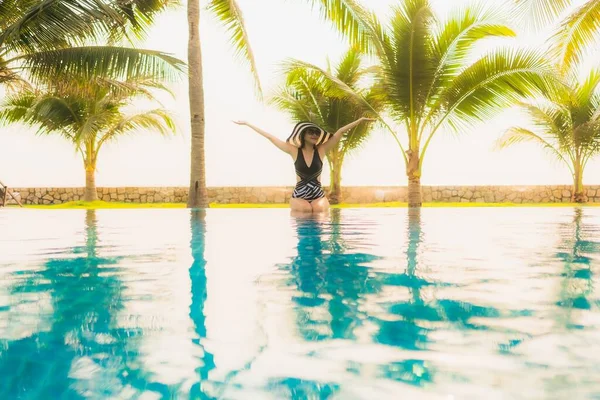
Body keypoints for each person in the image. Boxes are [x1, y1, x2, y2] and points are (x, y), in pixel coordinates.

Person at [233, 117, 374, 213]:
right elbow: (270, 137)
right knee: (305, 210)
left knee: (319, 211)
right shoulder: (293, 151)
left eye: (317, 133)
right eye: (311, 132)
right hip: (300, 194)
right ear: (303, 134)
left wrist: (360, 120)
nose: (314, 135)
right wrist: (247, 124)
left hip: (318, 194)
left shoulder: (322, 150)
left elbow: (340, 132)